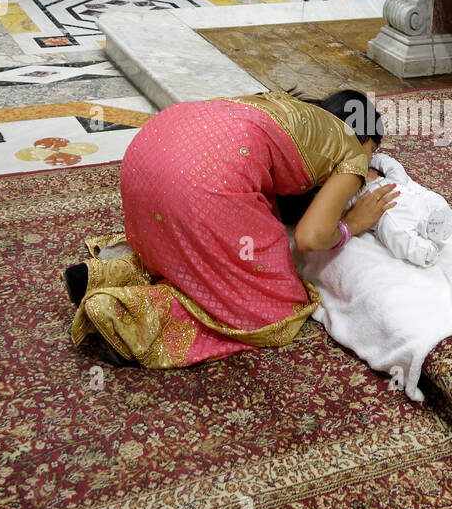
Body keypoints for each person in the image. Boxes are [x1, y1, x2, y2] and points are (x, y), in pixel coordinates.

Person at [64, 88, 400, 368]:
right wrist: (350, 225)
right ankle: (127, 312)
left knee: (195, 245)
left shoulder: (281, 105)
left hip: (145, 157)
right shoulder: (352, 149)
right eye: (374, 151)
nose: (371, 163)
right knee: (273, 307)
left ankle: (106, 273)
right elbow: (310, 237)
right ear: (365, 136)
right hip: (194, 192)